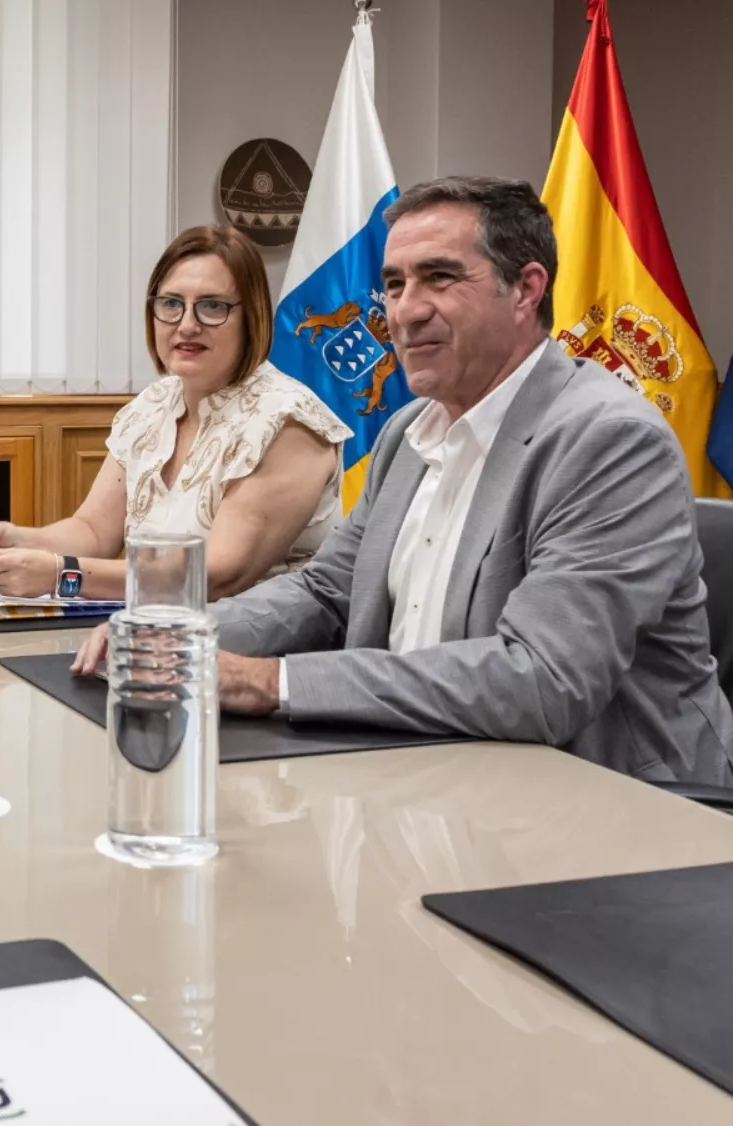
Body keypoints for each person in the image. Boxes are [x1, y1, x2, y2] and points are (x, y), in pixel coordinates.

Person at [75, 176, 733, 784]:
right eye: (393, 285)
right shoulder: (408, 432)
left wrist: (272, 683)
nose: (404, 311)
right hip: (421, 768)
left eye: (439, 278)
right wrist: (181, 630)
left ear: (526, 289)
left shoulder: (609, 441)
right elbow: (326, 592)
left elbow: (542, 680)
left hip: (608, 806)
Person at [0, 226, 351, 601]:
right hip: (156, 626)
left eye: (212, 306)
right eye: (171, 304)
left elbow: (218, 575)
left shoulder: (289, 421)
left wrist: (62, 574)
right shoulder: (153, 404)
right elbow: (94, 531)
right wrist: (14, 539)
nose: (187, 325)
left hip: (257, 638)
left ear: (252, 317)